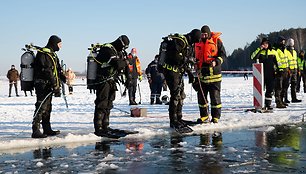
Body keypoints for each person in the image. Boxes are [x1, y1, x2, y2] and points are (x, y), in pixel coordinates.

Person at [160, 29, 201, 133]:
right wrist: (188, 60)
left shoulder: (187, 44)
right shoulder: (180, 42)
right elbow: (176, 58)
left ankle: (179, 118)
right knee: (175, 95)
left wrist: (190, 73)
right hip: (170, 71)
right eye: (196, 40)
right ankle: (173, 120)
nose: (195, 43)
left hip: (178, 72)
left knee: (180, 95)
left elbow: (183, 62)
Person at [93, 35, 131, 138]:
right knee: (102, 103)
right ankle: (98, 127)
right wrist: (126, 62)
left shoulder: (119, 51)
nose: (123, 50)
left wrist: (128, 79)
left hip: (111, 80)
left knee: (109, 103)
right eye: (123, 47)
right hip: (103, 80)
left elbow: (124, 65)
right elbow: (118, 64)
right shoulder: (107, 49)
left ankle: (105, 126)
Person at [31, 35, 66, 138]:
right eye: (59, 44)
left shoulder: (52, 54)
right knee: (41, 106)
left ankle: (47, 128)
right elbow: (47, 70)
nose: (60, 46)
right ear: (54, 43)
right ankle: (35, 130)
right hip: (42, 84)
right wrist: (54, 84)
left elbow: (57, 69)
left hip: (49, 84)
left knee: (48, 107)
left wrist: (62, 77)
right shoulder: (44, 54)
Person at [194, 25, 226, 124]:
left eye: (205, 34)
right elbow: (193, 55)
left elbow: (223, 55)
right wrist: (194, 63)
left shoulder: (217, 41)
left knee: (215, 98)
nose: (203, 36)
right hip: (202, 75)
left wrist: (216, 62)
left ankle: (215, 117)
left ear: (208, 33)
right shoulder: (197, 43)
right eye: (202, 34)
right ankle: (204, 116)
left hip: (214, 76)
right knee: (201, 97)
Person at [251, 37, 278, 110]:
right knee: (260, 90)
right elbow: (252, 57)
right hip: (261, 74)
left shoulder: (273, 52)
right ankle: (259, 104)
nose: (265, 45)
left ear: (268, 44)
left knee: (270, 89)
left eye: (266, 43)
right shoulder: (260, 51)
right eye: (263, 44)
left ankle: (268, 104)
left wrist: (279, 70)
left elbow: (278, 62)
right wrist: (259, 49)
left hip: (271, 73)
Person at [274, 36, 290, 108]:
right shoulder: (276, 50)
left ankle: (282, 100)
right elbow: (275, 61)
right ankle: (278, 102)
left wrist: (288, 69)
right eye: (281, 41)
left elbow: (287, 60)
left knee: (284, 87)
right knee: (278, 87)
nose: (283, 42)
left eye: (284, 41)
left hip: (286, 70)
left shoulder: (285, 50)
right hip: (279, 71)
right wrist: (277, 69)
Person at [283, 38, 301, 103]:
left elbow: (296, 61)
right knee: (286, 85)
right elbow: (285, 61)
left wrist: (298, 69)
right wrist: (287, 69)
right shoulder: (286, 51)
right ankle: (285, 99)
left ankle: (294, 98)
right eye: (290, 43)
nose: (291, 44)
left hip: (295, 70)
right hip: (289, 70)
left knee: (294, 84)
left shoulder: (295, 52)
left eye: (292, 43)